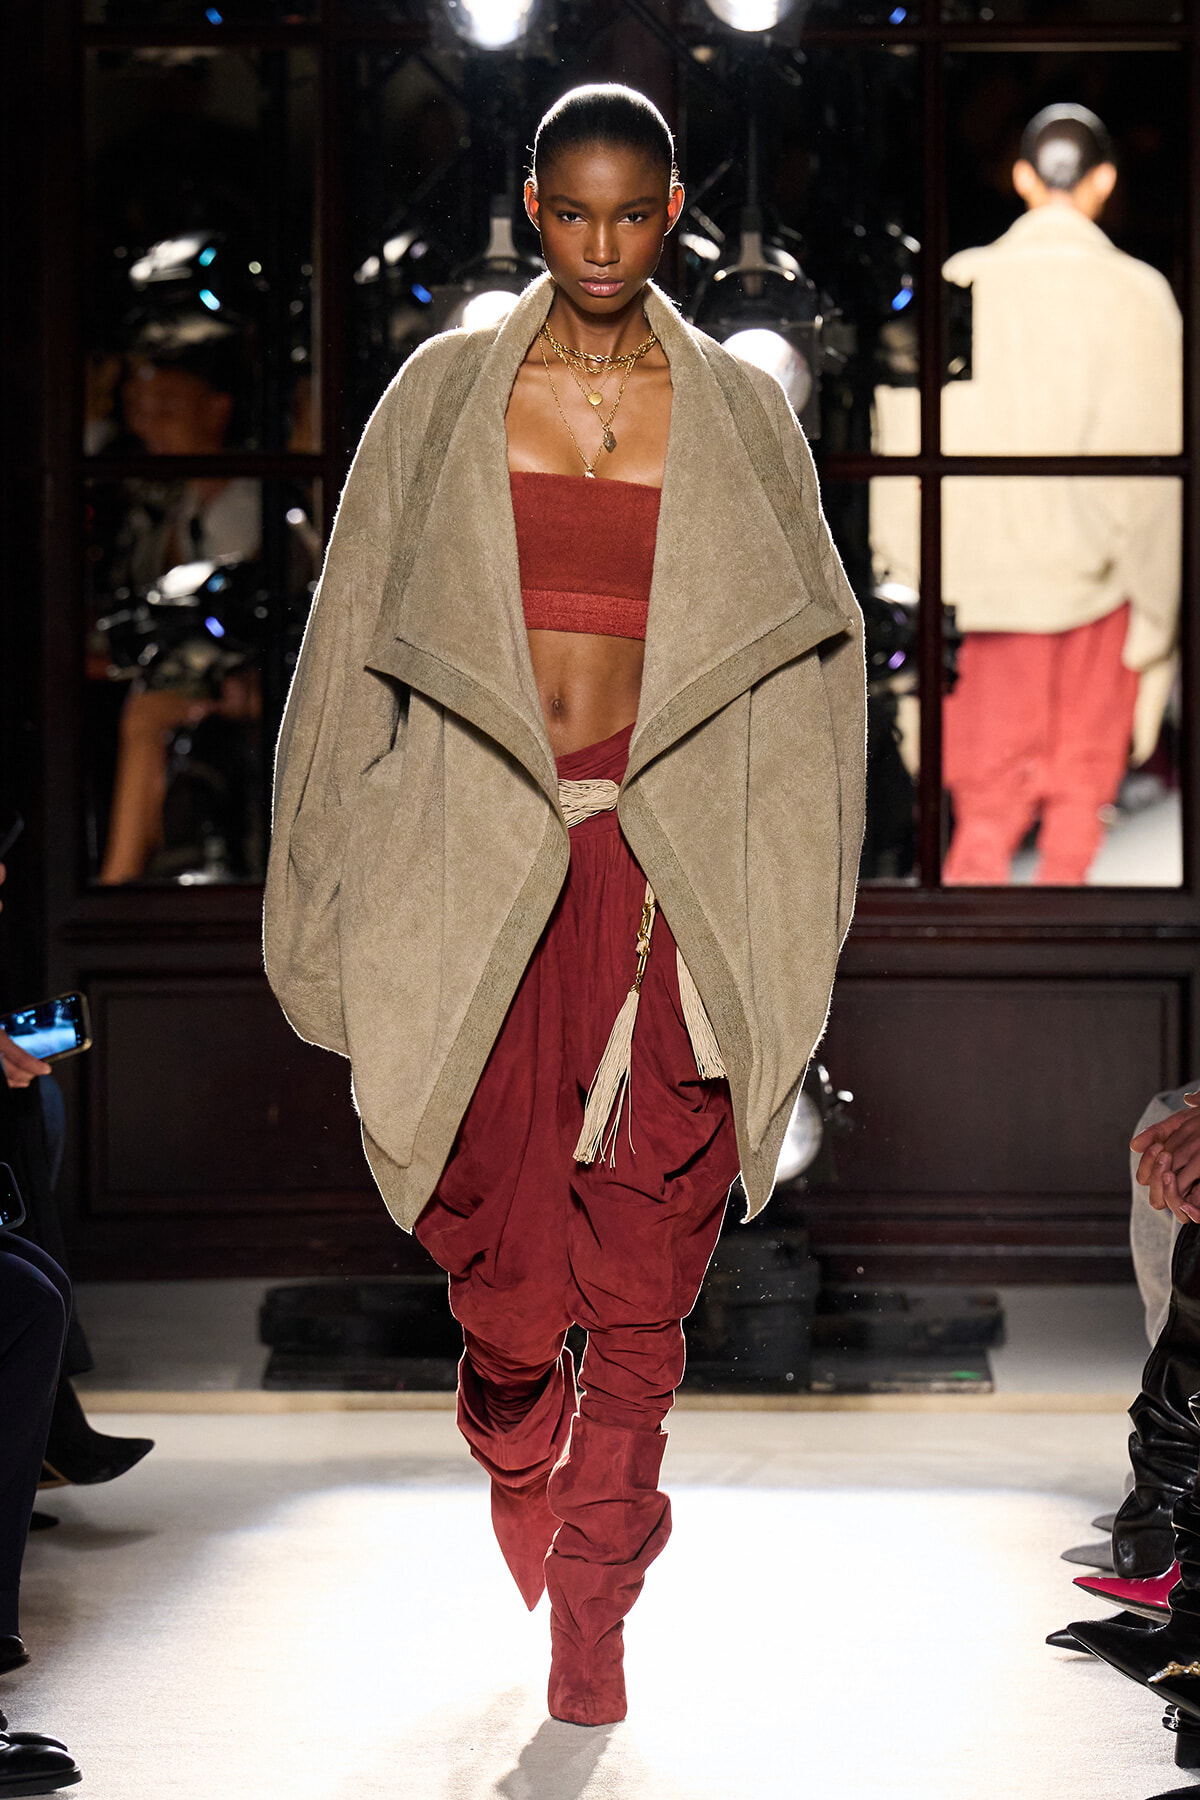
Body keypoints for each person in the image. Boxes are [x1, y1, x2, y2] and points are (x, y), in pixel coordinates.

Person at [265, 83, 865, 1726]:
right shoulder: (444, 401)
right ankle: (516, 1413)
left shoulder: (742, 418)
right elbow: (343, 661)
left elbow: (822, 681)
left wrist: (799, 908)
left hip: (669, 886)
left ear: (672, 214)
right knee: (511, 1279)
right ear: (534, 206)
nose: (602, 242)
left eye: (633, 212)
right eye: (573, 211)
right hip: (479, 875)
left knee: (653, 1279)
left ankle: (593, 1620)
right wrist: (311, 898)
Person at [872, 103, 1182, 884]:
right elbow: (1151, 472)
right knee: (1077, 816)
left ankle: (974, 996)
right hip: (1093, 596)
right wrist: (1159, 613)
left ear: (1020, 178)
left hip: (973, 597)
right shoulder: (1137, 295)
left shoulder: (953, 285)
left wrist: (906, 577)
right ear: (1105, 182)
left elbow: (902, 448)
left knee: (981, 825)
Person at [96, 348, 262, 884]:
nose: (151, 424)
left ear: (217, 410)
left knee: (144, 713)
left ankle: (118, 878)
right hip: (198, 666)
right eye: (143, 409)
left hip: (248, 677)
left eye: (167, 406)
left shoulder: (248, 502)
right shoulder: (182, 503)